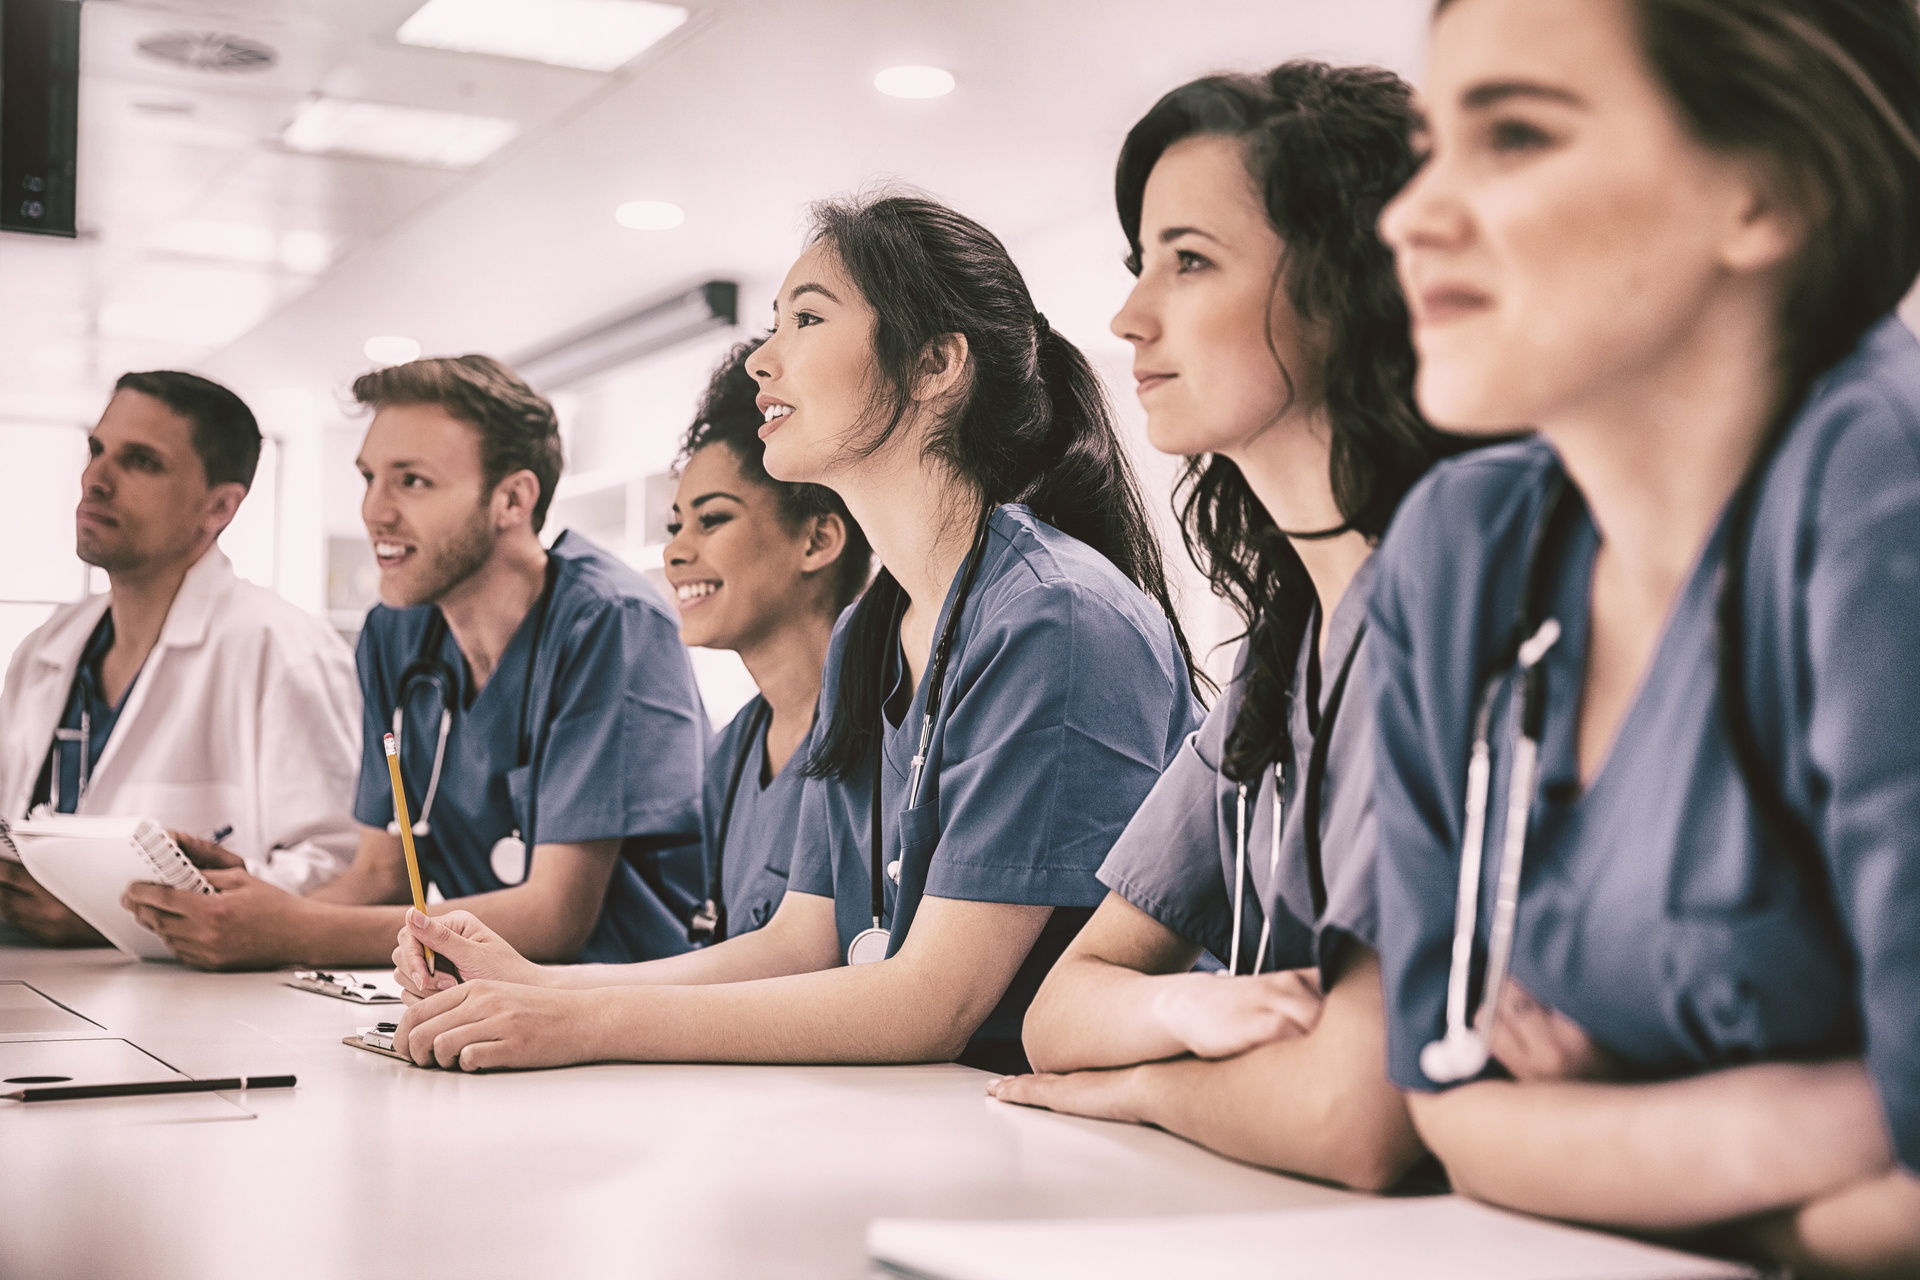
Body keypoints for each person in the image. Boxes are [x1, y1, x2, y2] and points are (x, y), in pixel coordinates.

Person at [384, 194, 1203, 1075]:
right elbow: (800, 943)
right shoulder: (870, 630)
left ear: (935, 364)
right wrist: (538, 987)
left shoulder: (1057, 615)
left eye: (807, 318)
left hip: (1063, 1148)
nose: (764, 362)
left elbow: (928, 1005)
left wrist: (575, 1027)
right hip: (923, 1122)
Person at [1371, 0, 1920, 1271]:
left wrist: (1608, 1137)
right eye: (1429, 142)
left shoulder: (1878, 491)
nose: (1412, 217)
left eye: (1513, 136)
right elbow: (1449, 1104)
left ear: (1764, 194)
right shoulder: (1461, 548)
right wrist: (1820, 1118)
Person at [991, 64, 1452, 1191]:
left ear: (1348, 287)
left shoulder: (1450, 618)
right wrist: (1194, 1003)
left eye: (1189, 261)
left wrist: (1144, 1083)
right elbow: (1060, 1010)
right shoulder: (1278, 659)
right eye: (1140, 262)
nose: (1128, 316)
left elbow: (1354, 1112)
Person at [122, 355, 708, 969]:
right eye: (369, 477)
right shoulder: (396, 631)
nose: (374, 511)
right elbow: (381, 872)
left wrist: (292, 932)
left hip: (627, 1011)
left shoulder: (609, 622)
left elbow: (555, 916)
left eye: (412, 481)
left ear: (512, 498)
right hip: (484, 1000)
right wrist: (245, 916)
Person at [0, 371, 359, 945]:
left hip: (187, 1009)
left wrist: (105, 910)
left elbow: (339, 870)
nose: (96, 478)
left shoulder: (283, 649)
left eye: (141, 462)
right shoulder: (48, 646)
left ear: (218, 507)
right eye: (97, 450)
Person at [666, 338, 870, 943]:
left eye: (713, 519)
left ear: (817, 541)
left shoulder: (878, 735)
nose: (676, 551)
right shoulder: (732, 755)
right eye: (675, 525)